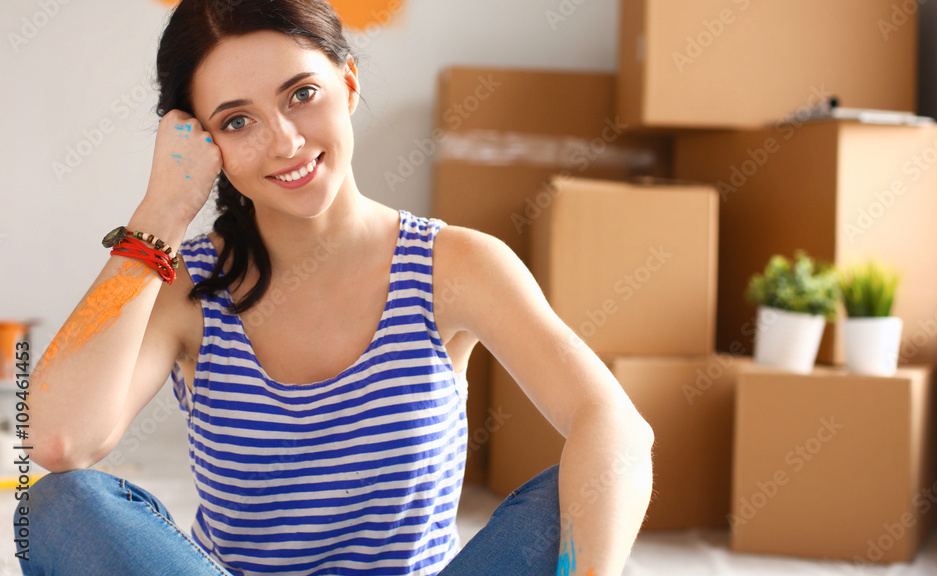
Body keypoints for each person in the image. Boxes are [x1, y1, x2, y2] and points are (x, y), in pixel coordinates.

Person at [17, 0, 654, 574]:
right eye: (238, 122)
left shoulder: (453, 264)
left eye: (301, 94)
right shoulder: (191, 286)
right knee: (60, 504)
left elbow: (616, 426)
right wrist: (160, 214)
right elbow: (58, 441)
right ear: (205, 144)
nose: (286, 142)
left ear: (348, 84)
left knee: (584, 484)